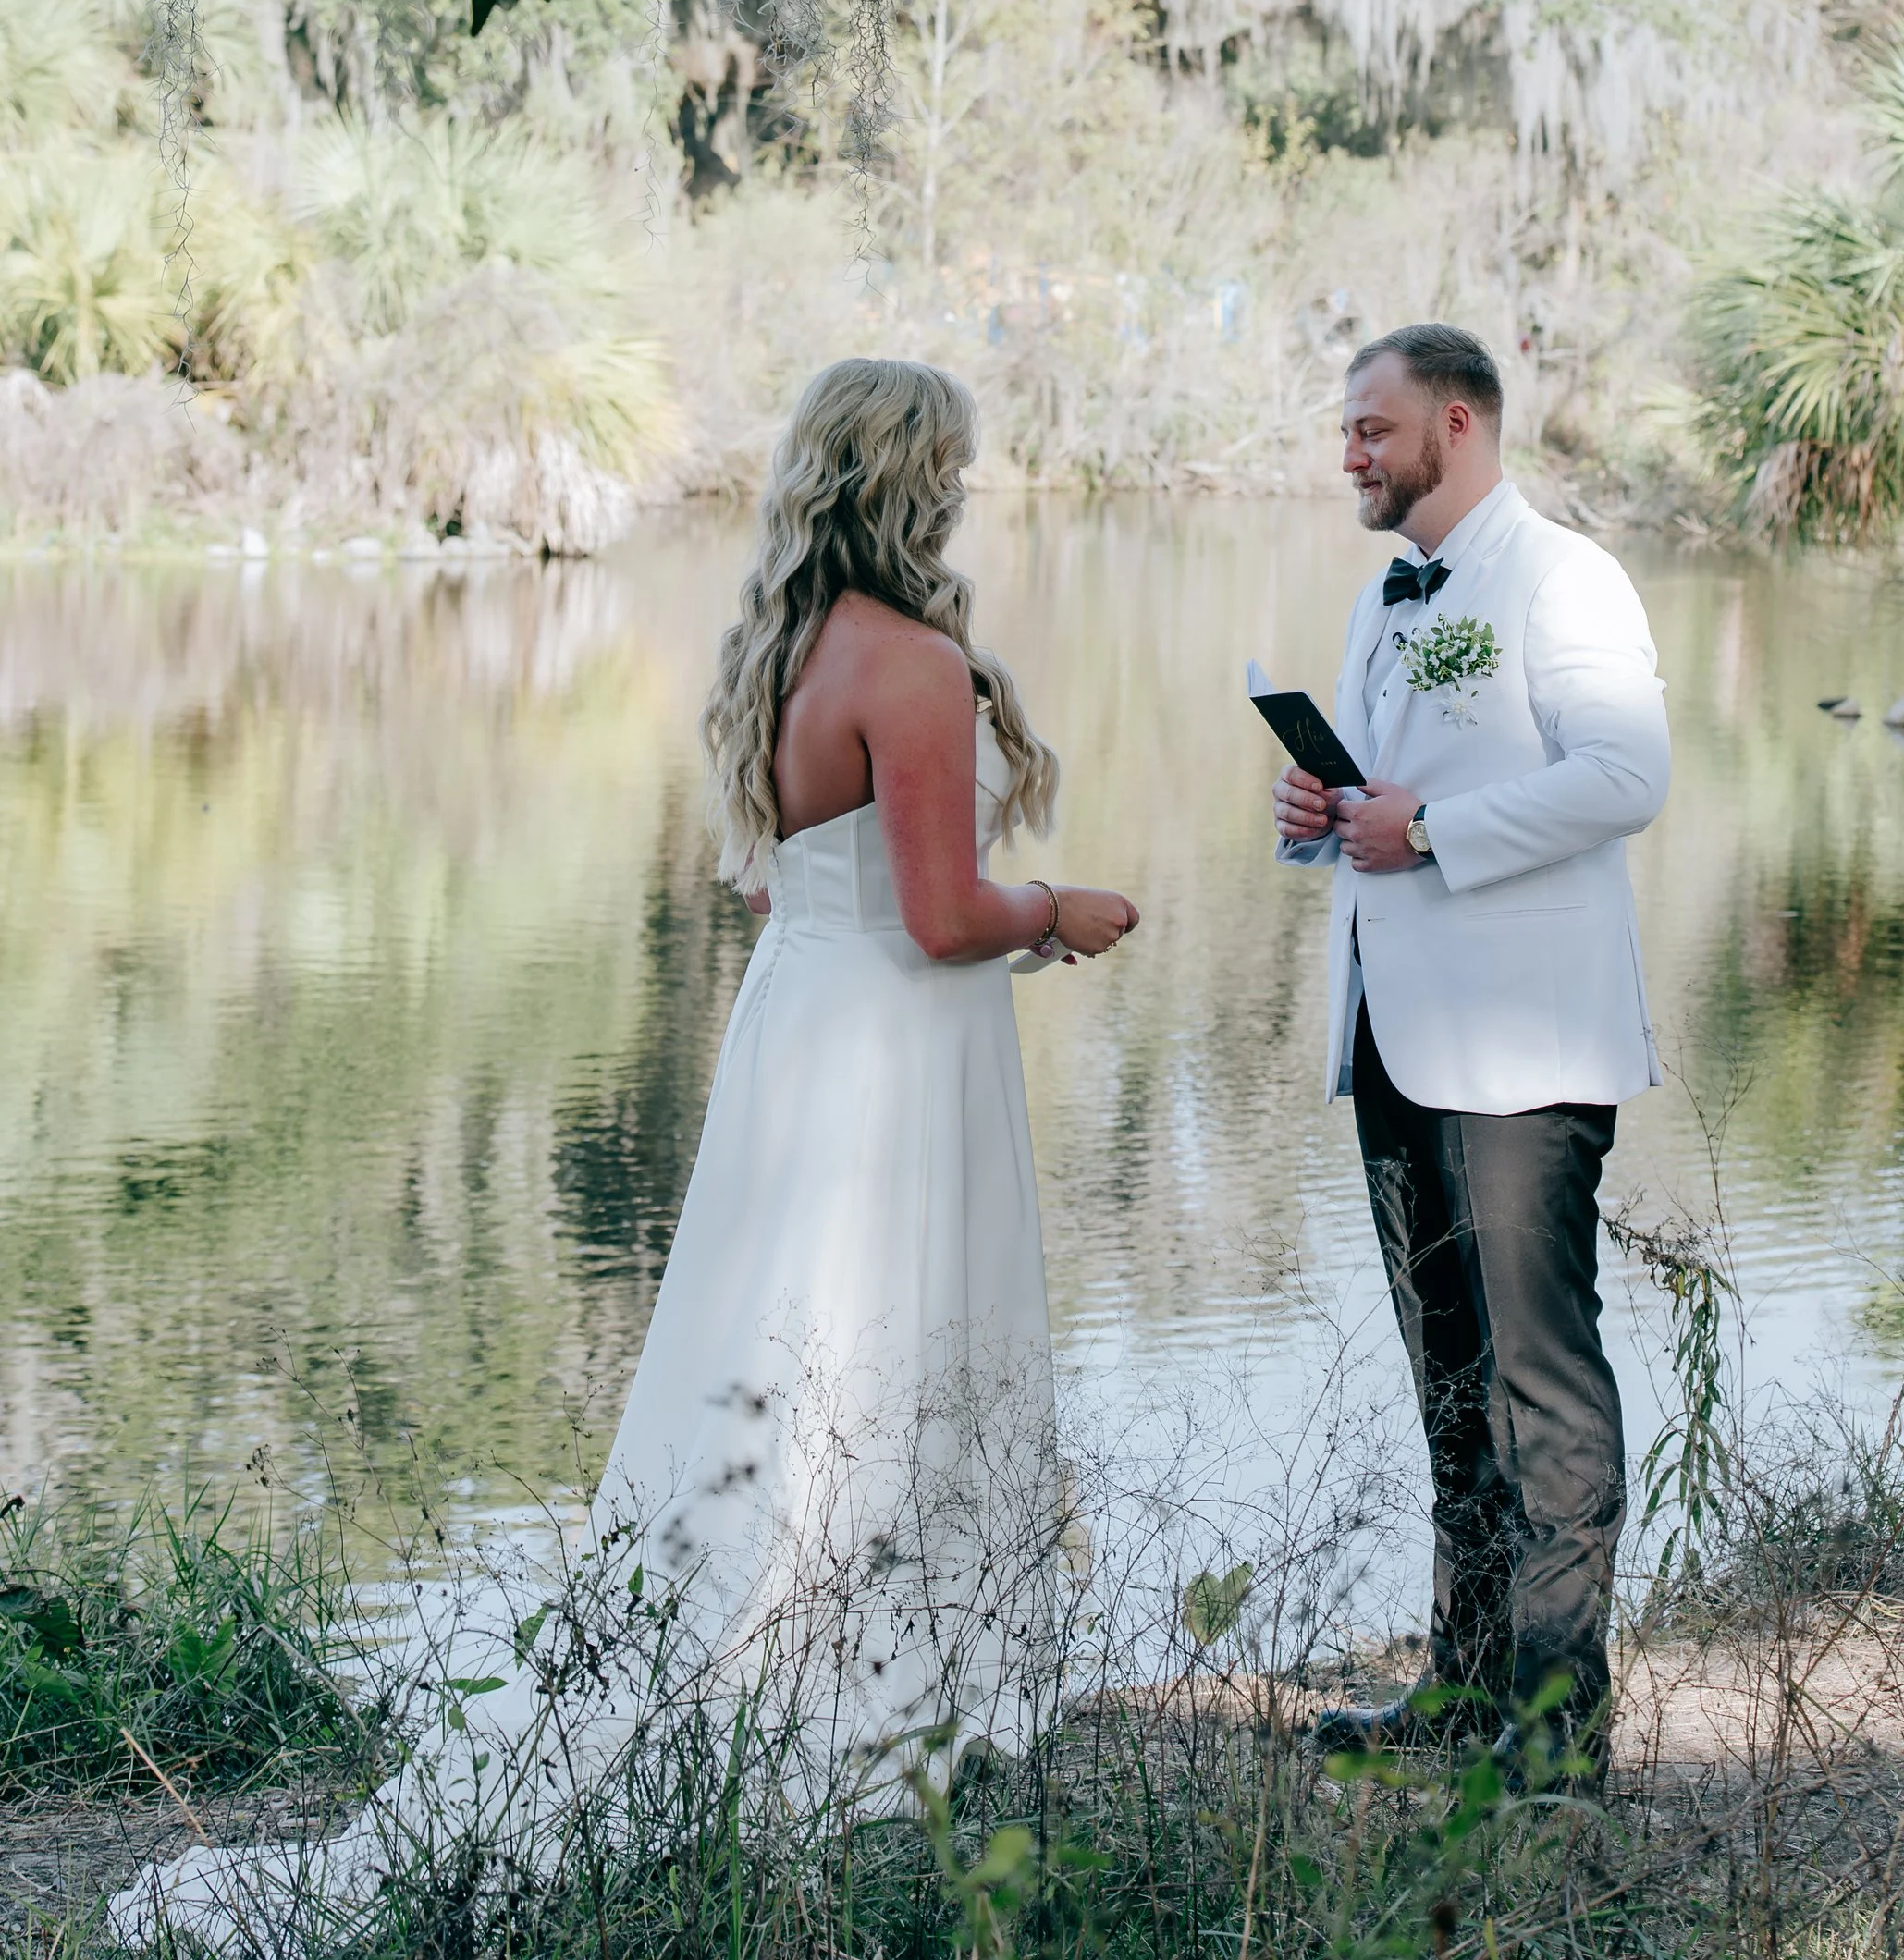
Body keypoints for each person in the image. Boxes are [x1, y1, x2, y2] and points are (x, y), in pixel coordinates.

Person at [115, 357, 1137, 1943]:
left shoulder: (775, 651)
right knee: (886, 1336)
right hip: (893, 1051)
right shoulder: (915, 664)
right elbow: (943, 917)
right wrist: (1067, 915)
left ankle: (800, 1643)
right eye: (953, 463)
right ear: (913, 479)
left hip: (801, 1031)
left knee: (791, 1349)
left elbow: (776, 886)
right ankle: (879, 1681)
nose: (963, 487)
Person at [1273, 323, 1668, 1795]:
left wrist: (1430, 833)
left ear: (1457, 424)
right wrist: (1317, 806)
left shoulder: (1569, 579)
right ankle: (1466, 1682)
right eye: (1347, 430)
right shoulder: (1387, 592)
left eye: (1373, 429)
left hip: (1527, 1043)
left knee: (1538, 1383)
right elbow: (1385, 785)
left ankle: (1561, 1726)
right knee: (1447, 1370)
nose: (1352, 453)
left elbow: (1627, 778)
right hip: (1392, 1030)